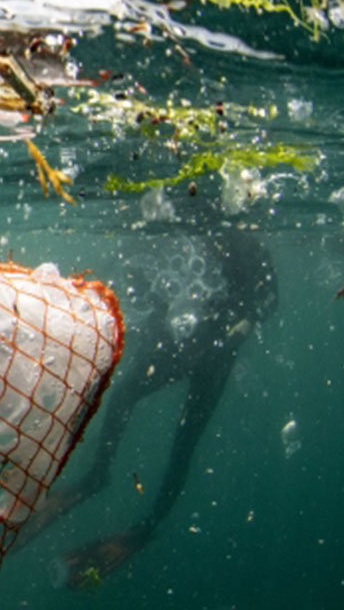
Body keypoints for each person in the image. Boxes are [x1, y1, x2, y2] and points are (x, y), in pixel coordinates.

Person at [14, 222, 278, 587]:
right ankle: (97, 479)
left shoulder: (237, 238)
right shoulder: (186, 228)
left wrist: (236, 329)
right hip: (183, 340)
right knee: (144, 412)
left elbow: (266, 298)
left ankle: (141, 523)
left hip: (213, 349)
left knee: (183, 440)